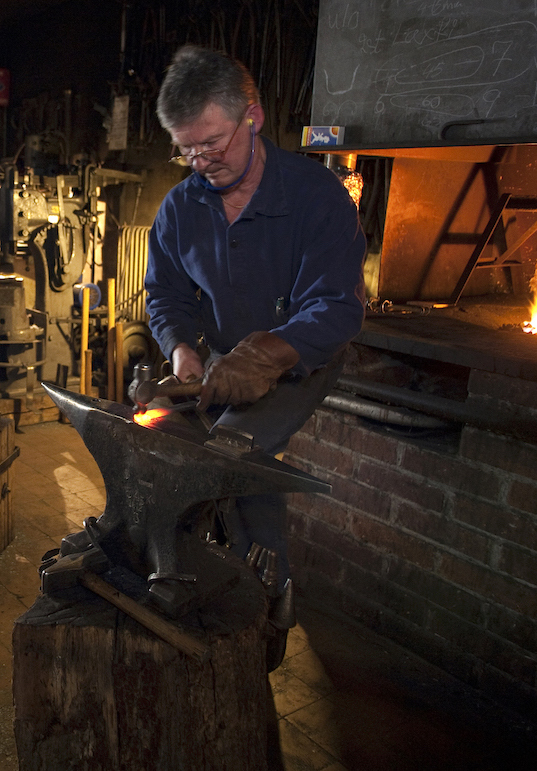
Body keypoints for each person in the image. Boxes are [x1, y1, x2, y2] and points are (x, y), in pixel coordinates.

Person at [144, 45, 367, 665]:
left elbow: (338, 308)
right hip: (215, 363)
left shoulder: (317, 196)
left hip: (301, 354)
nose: (200, 161)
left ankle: (268, 614)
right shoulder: (181, 208)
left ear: (253, 117)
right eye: (186, 149)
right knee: (178, 447)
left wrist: (268, 354)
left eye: (212, 143)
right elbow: (164, 294)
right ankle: (219, 580)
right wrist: (183, 352)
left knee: (232, 453)